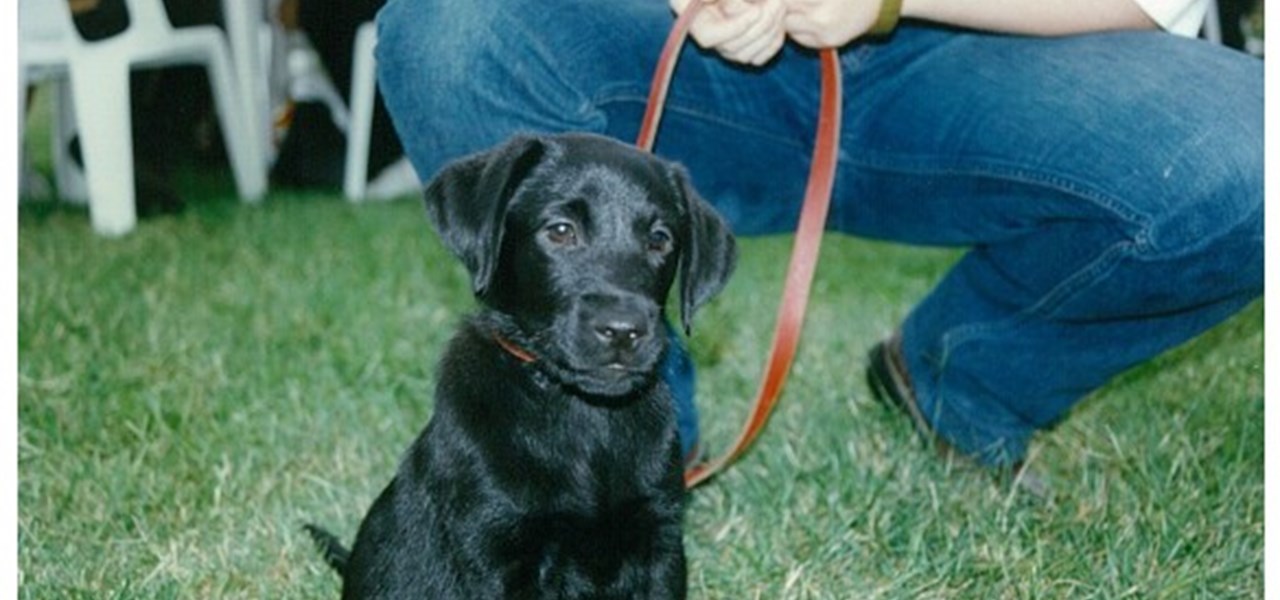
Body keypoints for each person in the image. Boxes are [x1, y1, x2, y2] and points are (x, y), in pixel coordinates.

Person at [371, 0, 1262, 485]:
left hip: (989, 62)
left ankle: (966, 379)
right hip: (684, 55)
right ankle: (634, 422)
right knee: (449, 27)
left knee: (1254, 154)